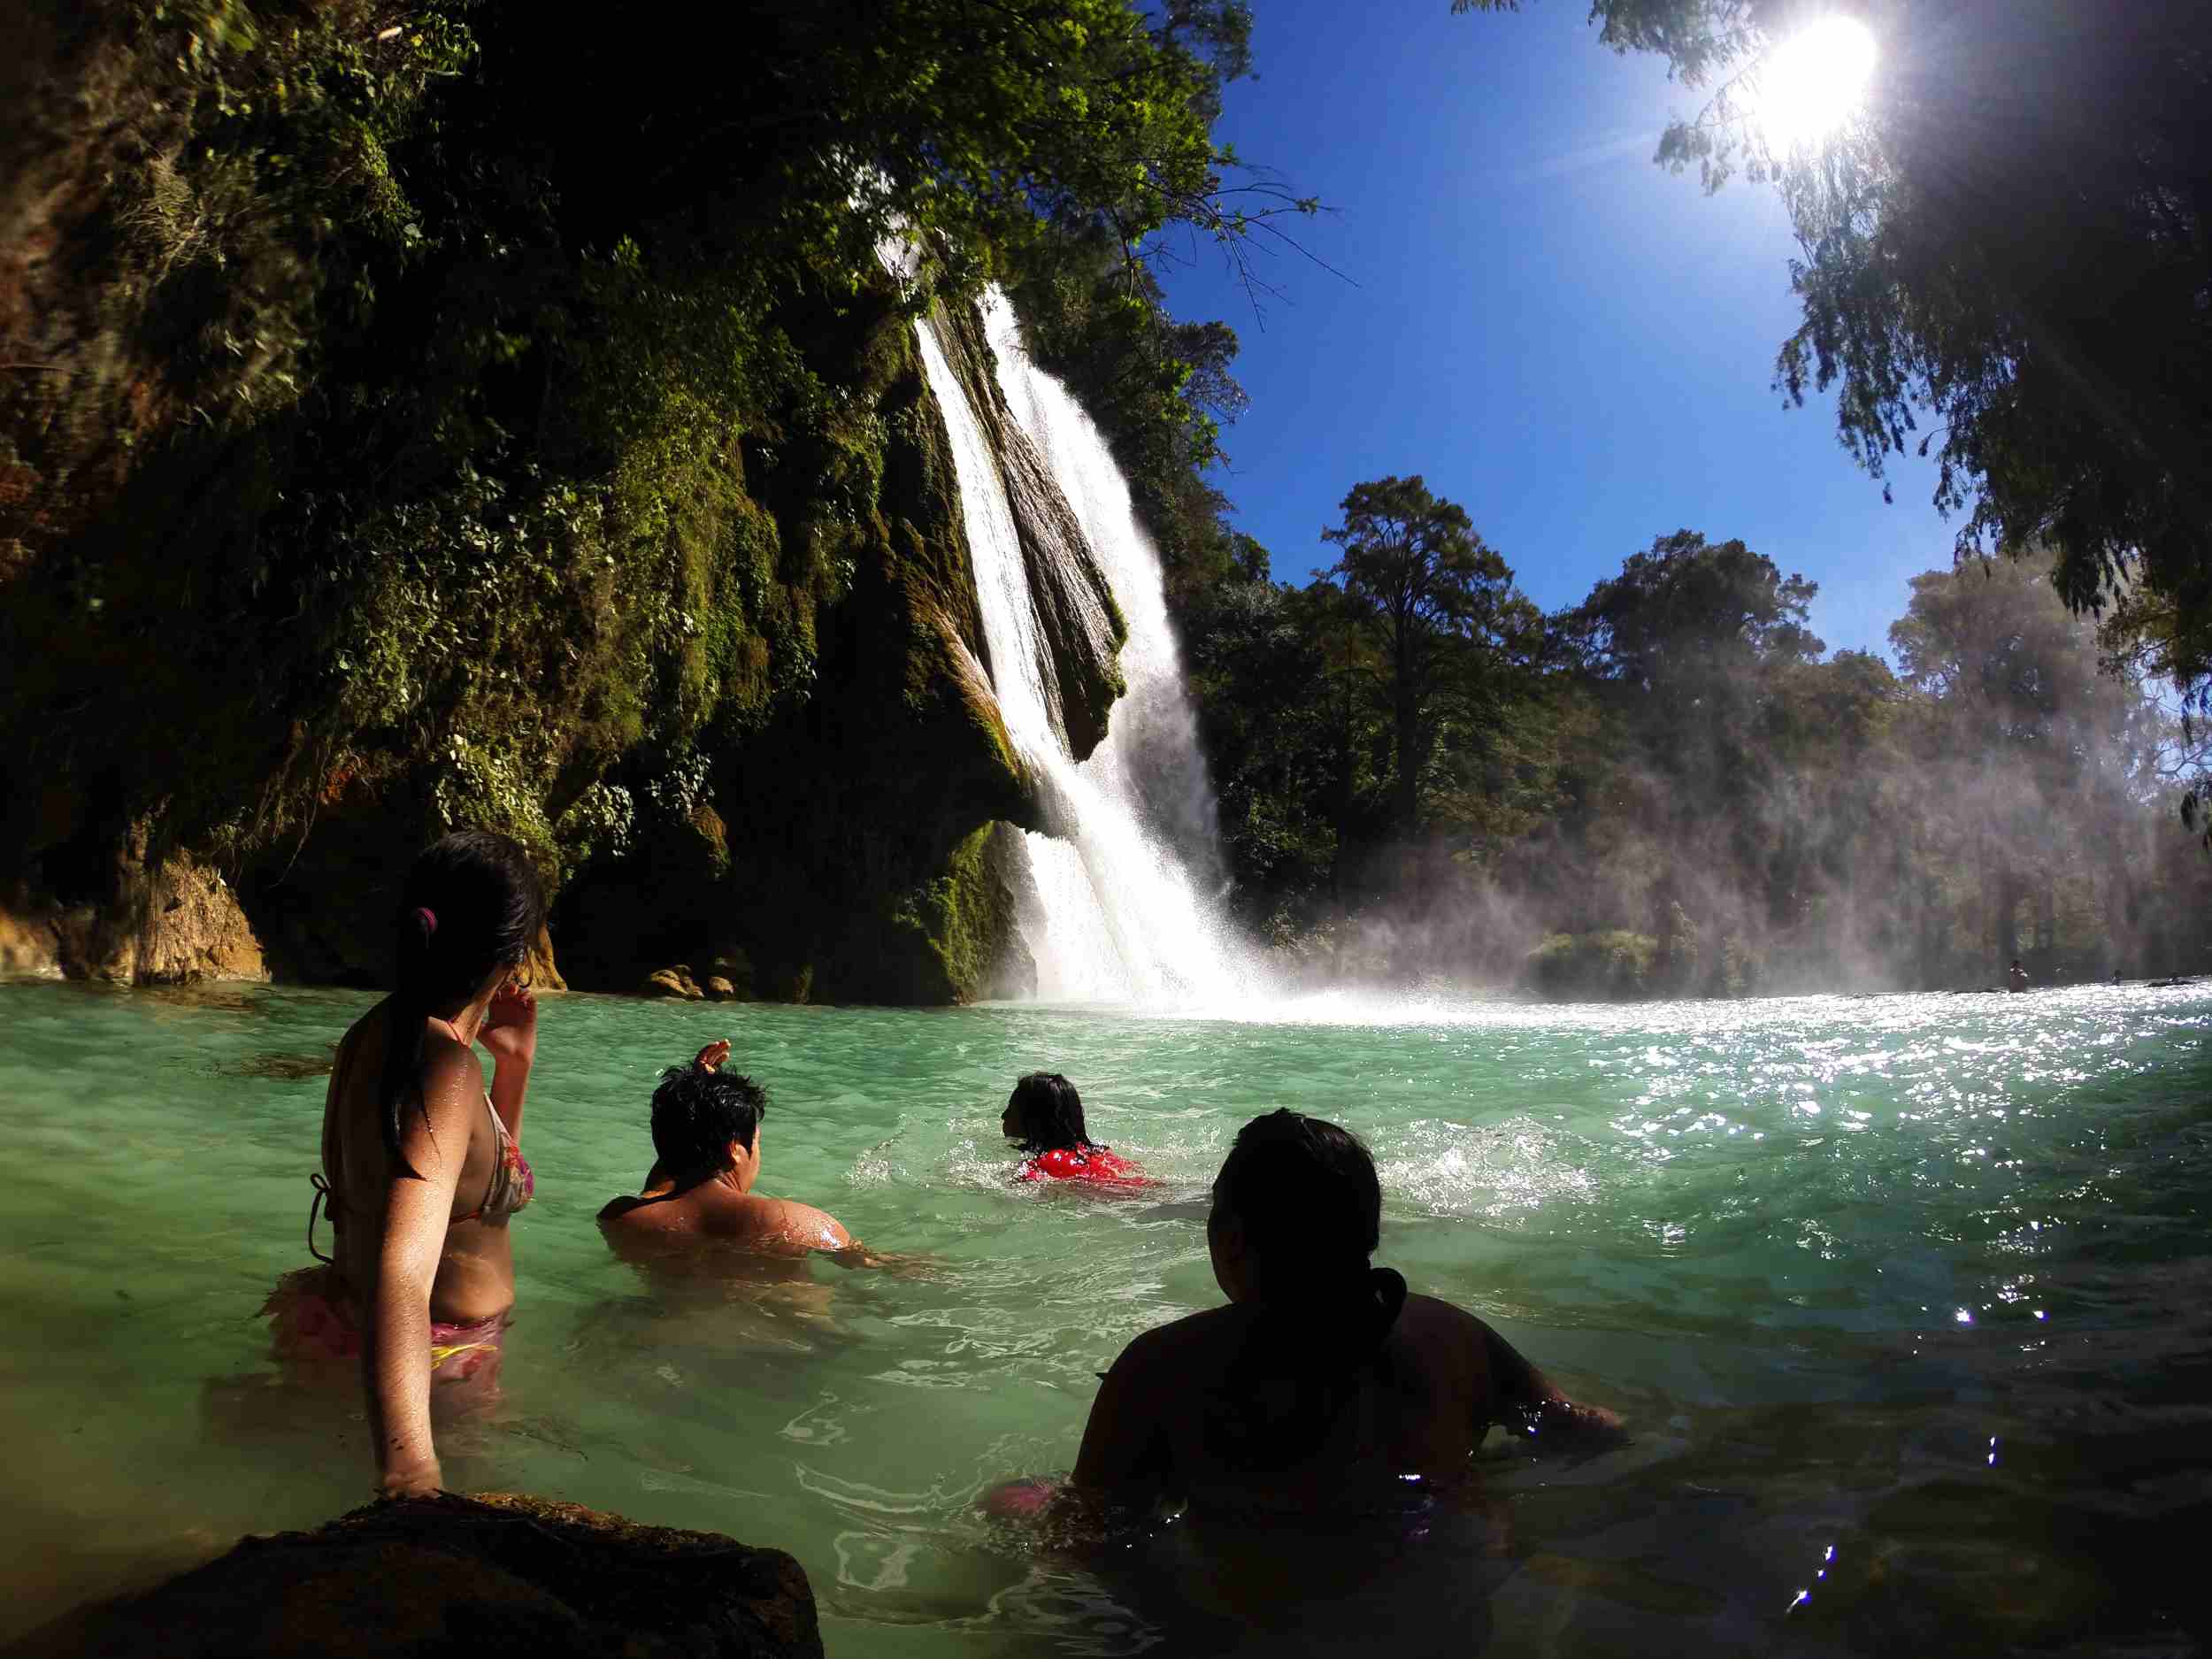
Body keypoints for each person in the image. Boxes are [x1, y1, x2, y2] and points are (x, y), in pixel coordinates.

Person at [1063, 1110, 1619, 1514]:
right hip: (1449, 1592)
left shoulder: (1164, 1369)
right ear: (1368, 1230)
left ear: (1231, 1239)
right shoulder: (1455, 1335)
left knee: (1014, 1499)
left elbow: (1090, 1539)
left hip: (1254, 1622)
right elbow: (1590, 1430)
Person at [265, 829, 546, 1499]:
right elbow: (404, 1272)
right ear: (513, 956)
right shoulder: (445, 1068)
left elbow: (468, 1187)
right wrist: (410, 1473)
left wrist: (514, 1068)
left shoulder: (372, 1036)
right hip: (435, 1363)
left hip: (334, 1317)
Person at [598, 1040, 870, 1260]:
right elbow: (875, 1267)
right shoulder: (801, 1225)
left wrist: (692, 1099)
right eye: (757, 1141)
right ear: (735, 1149)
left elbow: (667, 1170)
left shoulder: (620, 1217)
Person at [1002, 1071, 1146, 1186]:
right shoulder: (1098, 1154)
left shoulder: (1044, 1164)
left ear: (1032, 1118)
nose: (1003, 1116)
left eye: (1011, 1108)